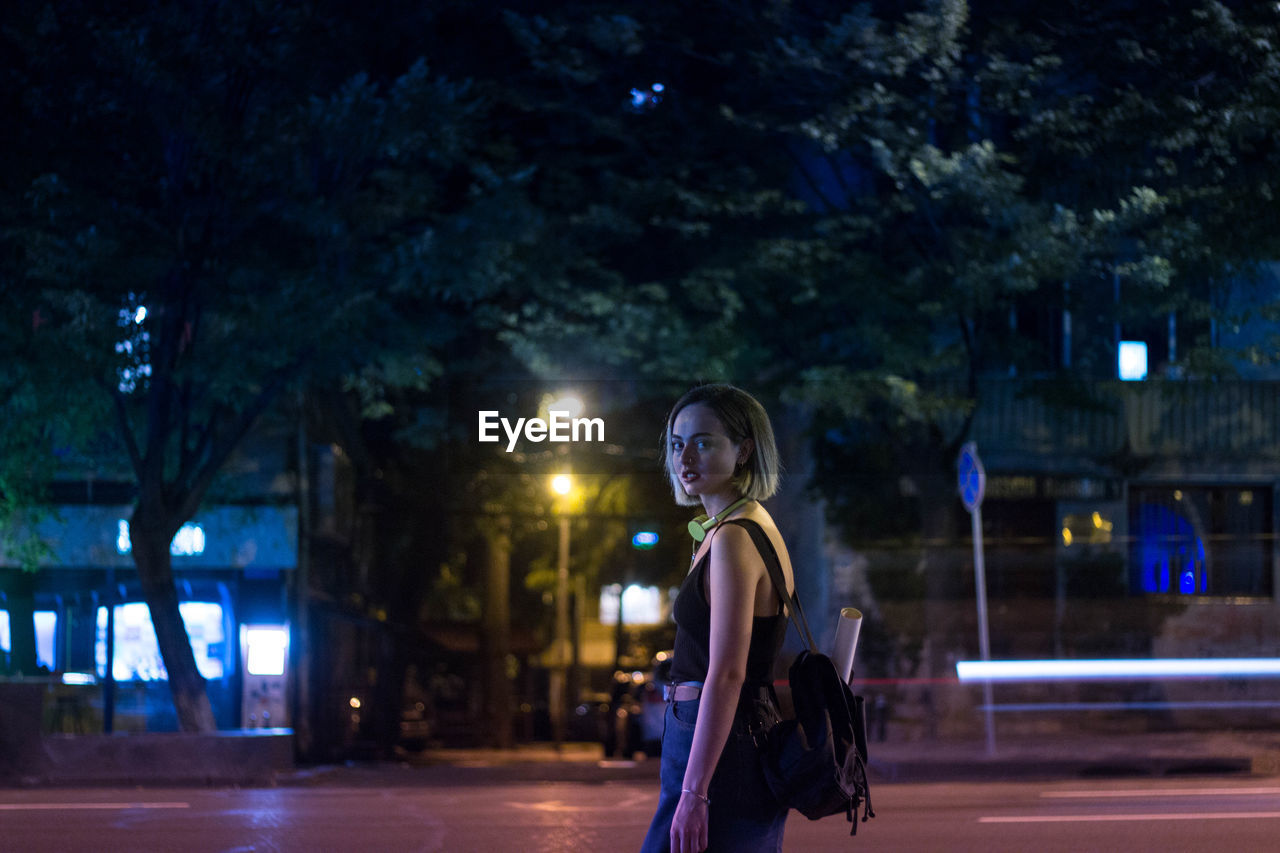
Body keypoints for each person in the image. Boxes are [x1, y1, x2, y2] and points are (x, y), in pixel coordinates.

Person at [640, 383, 793, 853]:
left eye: (704, 442)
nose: (685, 457)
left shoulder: (734, 538)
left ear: (744, 449)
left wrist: (694, 791)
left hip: (721, 743)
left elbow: (726, 673)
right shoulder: (737, 527)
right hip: (725, 734)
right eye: (676, 443)